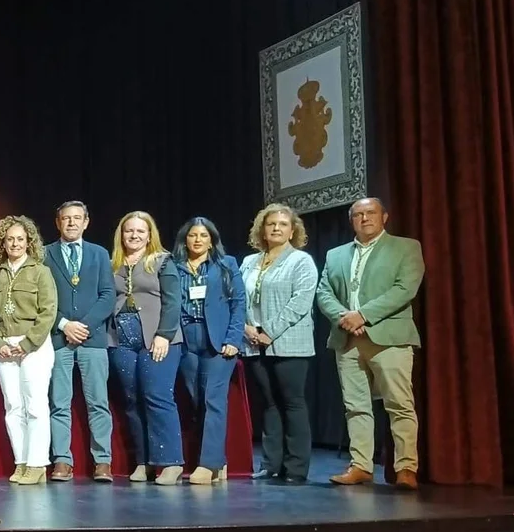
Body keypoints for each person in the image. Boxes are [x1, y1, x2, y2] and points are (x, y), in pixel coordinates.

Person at [315, 196, 425, 488]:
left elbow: (405, 289)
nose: (365, 218)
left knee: (399, 404)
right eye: (358, 214)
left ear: (384, 217)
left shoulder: (406, 247)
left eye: (371, 213)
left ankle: (406, 469)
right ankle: (361, 466)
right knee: (355, 406)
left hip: (389, 338)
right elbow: (323, 292)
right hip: (347, 339)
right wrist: (344, 317)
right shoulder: (335, 254)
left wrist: (363, 315)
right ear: (351, 220)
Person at [240, 203, 319, 484]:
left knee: (292, 403)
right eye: (271, 224)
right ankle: (270, 464)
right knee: (269, 404)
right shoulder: (249, 262)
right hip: (253, 342)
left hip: (289, 342)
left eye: (283, 224)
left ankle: (296, 467)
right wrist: (247, 328)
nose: (276, 228)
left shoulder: (301, 261)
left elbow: (300, 302)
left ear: (292, 231)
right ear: (262, 230)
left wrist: (269, 331)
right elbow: (239, 298)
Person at [108, 211, 185, 485]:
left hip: (157, 338)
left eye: (140, 231)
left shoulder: (163, 261)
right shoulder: (113, 264)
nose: (134, 235)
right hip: (121, 340)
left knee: (157, 397)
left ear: (150, 235)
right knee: (132, 400)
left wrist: (164, 334)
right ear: (122, 235)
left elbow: (173, 301)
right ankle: (144, 461)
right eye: (129, 230)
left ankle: (171, 462)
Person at [45, 201, 117, 482]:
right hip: (59, 338)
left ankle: (102, 461)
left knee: (98, 402)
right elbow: (42, 299)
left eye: (77, 218)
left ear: (86, 222)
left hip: (92, 339)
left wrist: (84, 326)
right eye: (66, 218)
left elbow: (107, 295)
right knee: (59, 403)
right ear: (58, 222)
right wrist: (64, 324)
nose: (72, 223)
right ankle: (62, 460)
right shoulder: (45, 254)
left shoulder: (99, 254)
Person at [173, 217, 246, 486]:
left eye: (203, 235)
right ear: (185, 239)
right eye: (193, 235)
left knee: (214, 399)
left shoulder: (226, 265)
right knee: (197, 400)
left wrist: (234, 338)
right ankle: (219, 461)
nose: (198, 240)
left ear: (212, 240)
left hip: (218, 340)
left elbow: (239, 303)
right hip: (185, 339)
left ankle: (208, 464)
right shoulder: (174, 266)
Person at [0, 216, 57, 485]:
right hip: (5, 348)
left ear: (29, 242)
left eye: (20, 239)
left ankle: (38, 464)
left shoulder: (41, 272)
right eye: (10, 239)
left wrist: (27, 344)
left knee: (35, 405)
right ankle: (22, 461)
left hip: (34, 347)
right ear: (2, 243)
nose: (15, 244)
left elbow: (48, 312)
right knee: (13, 406)